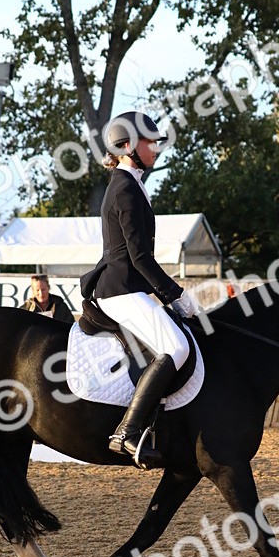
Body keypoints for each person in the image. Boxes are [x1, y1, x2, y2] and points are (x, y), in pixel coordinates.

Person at [81, 110, 201, 469]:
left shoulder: (131, 182)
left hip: (128, 288)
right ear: (129, 145)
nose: (156, 149)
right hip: (119, 290)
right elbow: (139, 258)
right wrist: (175, 295)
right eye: (150, 142)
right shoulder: (124, 189)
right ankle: (128, 432)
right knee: (176, 346)